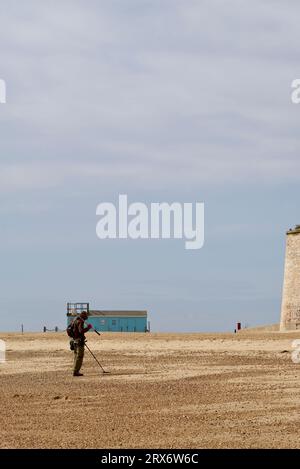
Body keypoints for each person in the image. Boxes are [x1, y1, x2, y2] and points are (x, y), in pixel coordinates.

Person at [72, 311, 92, 376]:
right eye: (86, 315)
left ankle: (75, 370)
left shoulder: (75, 320)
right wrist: (88, 328)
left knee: (76, 356)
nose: (87, 317)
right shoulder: (80, 321)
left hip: (74, 341)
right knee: (79, 357)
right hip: (79, 341)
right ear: (83, 316)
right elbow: (81, 331)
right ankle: (76, 371)